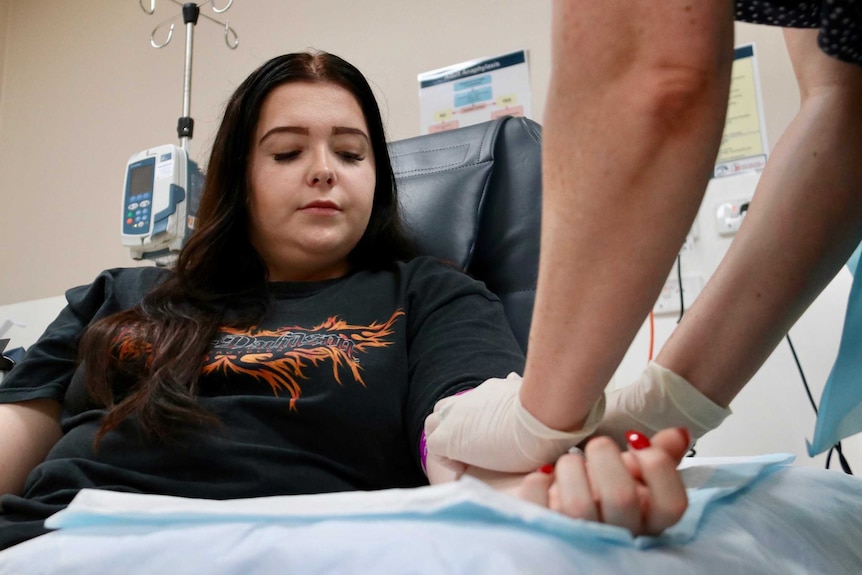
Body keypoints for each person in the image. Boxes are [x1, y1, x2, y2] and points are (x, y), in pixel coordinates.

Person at [0, 51, 690, 552]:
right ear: (240, 178)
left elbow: (458, 438)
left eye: (351, 153)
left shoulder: (427, 292)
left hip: (297, 547)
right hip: (54, 535)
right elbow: (15, 441)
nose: (325, 169)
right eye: (287, 152)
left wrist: (556, 483)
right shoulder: (118, 294)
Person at [426, 0, 862, 470]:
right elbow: (846, 107)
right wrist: (664, 406)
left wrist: (537, 419)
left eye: (351, 152)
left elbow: (656, 75)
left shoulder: (430, 291)